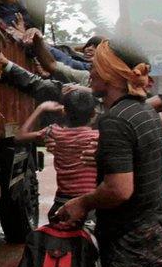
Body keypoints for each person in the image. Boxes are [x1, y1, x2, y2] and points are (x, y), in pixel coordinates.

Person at [56, 40, 162, 267]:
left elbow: (120, 189)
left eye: (95, 66)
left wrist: (82, 202)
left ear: (110, 73)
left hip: (130, 239)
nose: (91, 72)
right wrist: (103, 158)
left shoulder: (116, 119)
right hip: (155, 230)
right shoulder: (144, 111)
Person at [15, 91, 99, 221]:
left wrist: (40, 108)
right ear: (93, 114)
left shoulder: (53, 132)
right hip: (90, 204)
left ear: (64, 111)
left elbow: (20, 136)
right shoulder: (98, 137)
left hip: (62, 203)